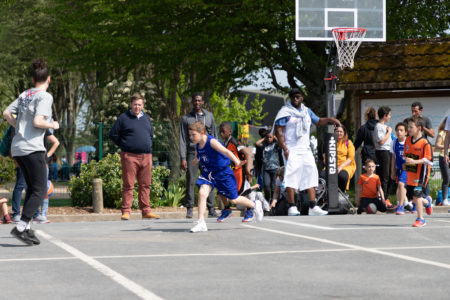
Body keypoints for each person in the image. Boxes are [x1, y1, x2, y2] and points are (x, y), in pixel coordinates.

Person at [3, 58, 59, 245]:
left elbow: (5, 113)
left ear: (33, 80)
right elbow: (38, 122)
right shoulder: (45, 96)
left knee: (31, 188)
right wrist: (53, 125)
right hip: (32, 147)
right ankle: (20, 226)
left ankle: (26, 229)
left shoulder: (24, 94)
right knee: (40, 189)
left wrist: (17, 126)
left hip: (18, 147)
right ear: (48, 79)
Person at [274, 88, 340, 216]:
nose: (295, 98)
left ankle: (312, 206)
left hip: (305, 148)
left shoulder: (306, 111)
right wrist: (285, 148)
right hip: (291, 148)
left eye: (297, 96)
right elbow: (279, 131)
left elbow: (319, 121)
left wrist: (331, 120)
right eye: (292, 96)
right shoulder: (285, 112)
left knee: (311, 173)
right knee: (291, 176)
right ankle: (292, 207)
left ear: (302, 98)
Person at [188, 121, 263, 232]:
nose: (191, 137)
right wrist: (193, 162)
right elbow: (198, 156)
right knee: (202, 193)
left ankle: (254, 204)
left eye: (193, 135)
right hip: (209, 173)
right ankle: (201, 222)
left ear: (202, 132)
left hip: (223, 173)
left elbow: (226, 151)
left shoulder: (211, 141)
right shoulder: (197, 145)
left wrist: (237, 162)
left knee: (234, 199)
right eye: (190, 135)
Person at [109, 92, 160, 221]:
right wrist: (125, 145)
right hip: (129, 156)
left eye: (139, 105)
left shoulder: (146, 118)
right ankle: (126, 211)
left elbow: (150, 134)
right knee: (128, 185)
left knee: (145, 184)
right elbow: (113, 135)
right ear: (130, 104)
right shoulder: (123, 118)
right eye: (135, 104)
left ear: (143, 105)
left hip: (146, 156)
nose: (137, 107)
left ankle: (146, 211)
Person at [180, 93, 217, 218]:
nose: (197, 103)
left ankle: (211, 207)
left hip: (207, 153)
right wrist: (183, 157)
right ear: (192, 102)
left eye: (199, 101)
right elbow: (182, 139)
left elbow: (215, 136)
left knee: (209, 178)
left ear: (203, 102)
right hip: (192, 153)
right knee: (191, 179)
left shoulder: (209, 116)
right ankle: (189, 208)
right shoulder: (186, 118)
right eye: (195, 100)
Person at [404, 116, 433, 227]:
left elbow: (429, 161)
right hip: (411, 173)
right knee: (415, 197)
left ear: (419, 128)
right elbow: (406, 155)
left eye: (411, 127)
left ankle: (421, 219)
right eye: (408, 127)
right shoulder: (407, 140)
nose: (409, 129)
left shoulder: (425, 143)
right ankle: (427, 202)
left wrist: (415, 161)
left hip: (422, 173)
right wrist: (405, 163)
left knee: (417, 193)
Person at [33, 129, 60, 224]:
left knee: (44, 189)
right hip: (31, 162)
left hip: (41, 163)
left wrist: (47, 156)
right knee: (33, 190)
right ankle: (36, 214)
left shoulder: (42, 128)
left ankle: (42, 214)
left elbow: (56, 142)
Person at [374, 106, 393, 208]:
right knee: (384, 176)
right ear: (385, 116)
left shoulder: (384, 126)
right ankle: (383, 199)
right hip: (382, 151)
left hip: (388, 151)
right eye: (389, 115)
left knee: (389, 175)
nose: (390, 117)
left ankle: (385, 197)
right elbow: (381, 141)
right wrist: (389, 132)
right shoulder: (378, 126)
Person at [255, 132, 282, 201]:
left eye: (270, 137)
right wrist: (264, 138)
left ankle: (273, 202)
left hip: (275, 168)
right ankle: (267, 200)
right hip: (266, 169)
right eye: (268, 137)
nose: (269, 139)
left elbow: (281, 143)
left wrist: (275, 137)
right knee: (266, 186)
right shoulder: (264, 145)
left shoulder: (276, 145)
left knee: (273, 187)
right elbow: (257, 143)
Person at [390, 122, 408, 214]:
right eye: (397, 130)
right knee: (400, 187)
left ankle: (401, 206)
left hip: (408, 169)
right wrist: (392, 170)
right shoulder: (393, 143)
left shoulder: (408, 142)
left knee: (401, 185)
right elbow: (393, 157)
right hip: (399, 169)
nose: (399, 132)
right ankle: (404, 204)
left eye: (401, 130)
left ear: (406, 132)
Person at [334, 124, 356, 192]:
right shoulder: (331, 142)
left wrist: (340, 167)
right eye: (337, 131)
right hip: (332, 165)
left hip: (346, 166)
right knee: (323, 175)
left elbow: (350, 158)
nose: (339, 133)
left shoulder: (348, 143)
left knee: (342, 176)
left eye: (341, 131)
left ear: (344, 133)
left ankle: (342, 192)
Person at [435, 117, 449, 206]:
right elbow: (437, 145)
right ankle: (444, 199)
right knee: (447, 178)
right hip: (443, 156)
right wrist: (446, 147)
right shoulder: (442, 133)